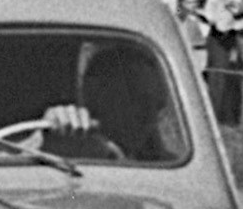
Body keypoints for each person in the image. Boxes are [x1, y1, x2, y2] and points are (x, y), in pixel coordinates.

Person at [42, 44, 176, 161]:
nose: (150, 114)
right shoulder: (72, 148)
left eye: (157, 103)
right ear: (96, 96)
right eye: (138, 99)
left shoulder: (168, 166)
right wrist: (50, 130)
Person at [203, 0, 243, 124]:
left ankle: (229, 118)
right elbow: (208, 11)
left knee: (229, 78)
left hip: (231, 37)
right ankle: (215, 116)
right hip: (215, 37)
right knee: (215, 77)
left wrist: (231, 8)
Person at [177, 0, 209, 74]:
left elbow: (206, 32)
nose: (193, 5)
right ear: (182, 3)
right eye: (189, 2)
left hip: (200, 51)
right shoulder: (179, 17)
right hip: (185, 50)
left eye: (195, 2)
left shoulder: (202, 17)